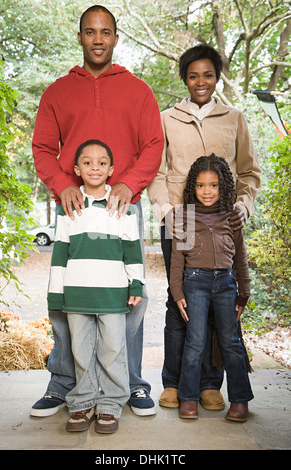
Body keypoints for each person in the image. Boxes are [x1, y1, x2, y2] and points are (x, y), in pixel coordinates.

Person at [31, 5, 164, 418]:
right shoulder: (57, 91)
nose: (99, 39)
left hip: (123, 208)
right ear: (80, 37)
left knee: (131, 298)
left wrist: (129, 182)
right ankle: (64, 384)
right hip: (74, 210)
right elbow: (41, 149)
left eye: (106, 31)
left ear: (116, 37)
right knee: (68, 296)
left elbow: (153, 145)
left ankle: (131, 384)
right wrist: (62, 185)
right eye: (90, 31)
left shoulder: (138, 89)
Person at [147, 44, 260, 410]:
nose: (201, 82)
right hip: (179, 224)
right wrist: (167, 213)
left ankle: (211, 384)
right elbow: (157, 172)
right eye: (193, 75)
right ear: (184, 78)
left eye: (208, 75)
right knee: (178, 298)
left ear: (217, 77)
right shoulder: (167, 119)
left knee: (218, 305)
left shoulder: (234, 119)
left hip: (220, 225)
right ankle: (174, 382)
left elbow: (248, 173)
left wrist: (244, 204)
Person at [47, 139, 144, 434]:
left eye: (102, 162)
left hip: (113, 294)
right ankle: (83, 402)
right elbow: (60, 254)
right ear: (76, 169)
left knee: (113, 348)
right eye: (87, 162)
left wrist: (136, 285)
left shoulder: (122, 209)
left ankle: (111, 404)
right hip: (77, 293)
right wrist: (56, 292)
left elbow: (133, 251)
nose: (95, 167)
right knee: (80, 349)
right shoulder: (68, 210)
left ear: (111, 169)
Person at [170, 154, 254, 421]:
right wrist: (178, 293)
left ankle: (240, 400)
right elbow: (176, 261)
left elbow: (240, 256)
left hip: (227, 285)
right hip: (195, 284)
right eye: (201, 185)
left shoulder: (232, 217)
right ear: (192, 187)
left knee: (231, 343)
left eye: (214, 185)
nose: (207, 191)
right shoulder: (184, 217)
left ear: (224, 186)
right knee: (194, 342)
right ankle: (189, 398)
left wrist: (244, 292)